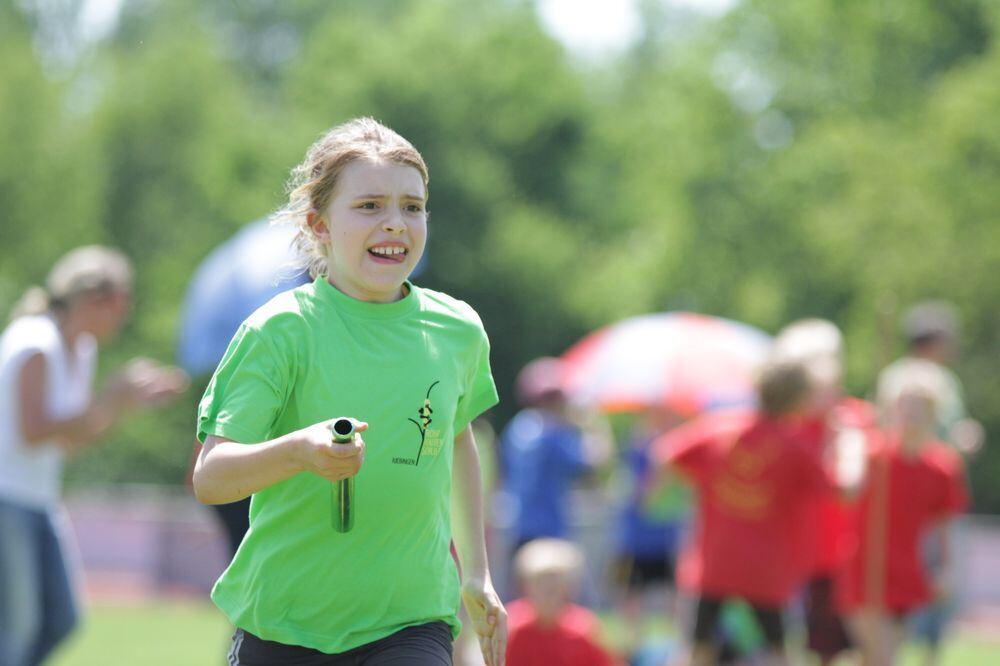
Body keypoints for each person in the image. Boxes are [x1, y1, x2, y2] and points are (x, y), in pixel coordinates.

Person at [193, 117, 506, 666]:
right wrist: (298, 452)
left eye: (412, 207)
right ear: (319, 226)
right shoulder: (279, 331)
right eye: (369, 206)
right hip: (283, 626)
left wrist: (477, 573)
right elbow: (212, 477)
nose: (395, 224)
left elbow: (458, 439)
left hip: (411, 623)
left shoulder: (458, 331)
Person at [0, 246, 188, 666]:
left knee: (62, 619)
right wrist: (112, 395)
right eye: (122, 305)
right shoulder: (34, 342)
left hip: (37, 498)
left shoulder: (79, 349)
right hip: (7, 498)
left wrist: (125, 402)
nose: (124, 316)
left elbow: (74, 438)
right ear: (97, 300)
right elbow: (33, 432)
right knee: (16, 629)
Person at [656, 361, 840, 666]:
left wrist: (684, 488)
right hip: (766, 568)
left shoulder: (720, 427)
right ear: (799, 400)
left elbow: (665, 455)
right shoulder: (796, 446)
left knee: (697, 649)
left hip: (715, 561)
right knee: (779, 650)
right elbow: (833, 488)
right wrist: (838, 442)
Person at [838, 361, 970, 666]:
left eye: (919, 405)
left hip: (907, 573)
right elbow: (847, 486)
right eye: (904, 404)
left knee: (876, 658)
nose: (910, 413)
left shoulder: (943, 466)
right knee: (883, 658)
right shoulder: (871, 453)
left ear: (934, 412)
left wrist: (947, 569)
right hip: (865, 569)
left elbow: (946, 524)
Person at [876, 301, 982, 666]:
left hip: (926, 495)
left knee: (928, 585)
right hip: (919, 498)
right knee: (924, 585)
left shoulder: (894, 374)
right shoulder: (928, 380)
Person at [769, 318, 876, 666]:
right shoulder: (788, 426)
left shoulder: (855, 420)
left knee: (854, 647)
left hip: (845, 557)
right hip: (792, 555)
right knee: (797, 646)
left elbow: (854, 484)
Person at [498, 357, 612, 554]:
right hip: (549, 530)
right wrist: (593, 423)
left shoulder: (516, 428)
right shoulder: (554, 433)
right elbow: (595, 460)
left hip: (518, 527)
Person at [505, 538, 620, 666]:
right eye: (541, 587)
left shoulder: (583, 629)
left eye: (554, 589)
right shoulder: (511, 628)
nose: (549, 597)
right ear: (525, 588)